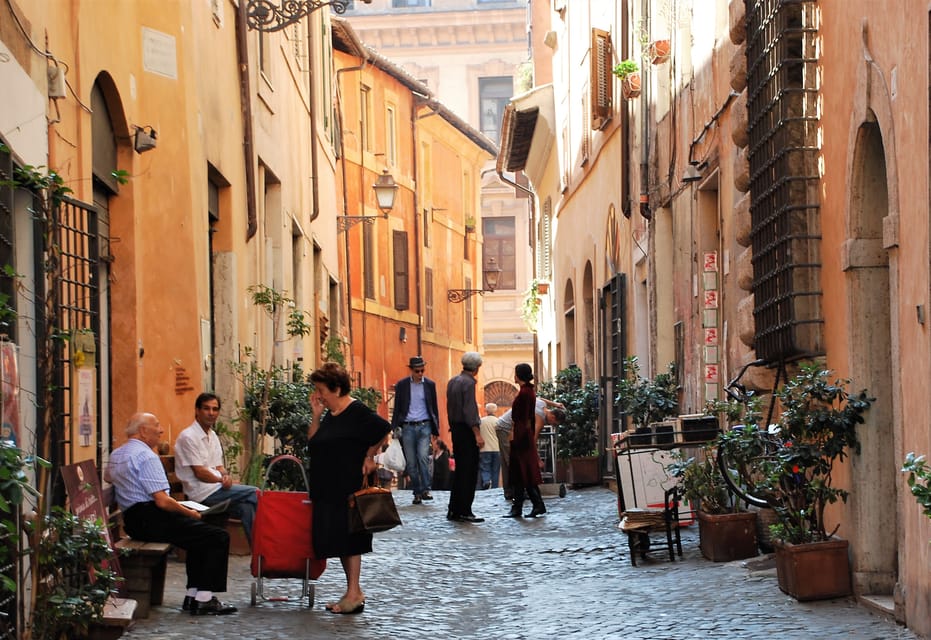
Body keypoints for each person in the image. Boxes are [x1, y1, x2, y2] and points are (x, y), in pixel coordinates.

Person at [105, 412, 237, 616]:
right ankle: (204, 598)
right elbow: (163, 501)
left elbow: (108, 476)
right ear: (143, 431)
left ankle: (194, 595)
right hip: (152, 518)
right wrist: (191, 513)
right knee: (218, 537)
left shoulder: (117, 454)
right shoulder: (147, 456)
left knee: (201, 537)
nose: (161, 430)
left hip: (132, 520)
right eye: (156, 425)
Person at [307, 362, 391, 615]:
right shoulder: (330, 415)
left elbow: (383, 430)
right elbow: (313, 443)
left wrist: (369, 456)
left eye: (321, 389)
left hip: (347, 485)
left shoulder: (356, 411)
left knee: (350, 538)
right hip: (328, 487)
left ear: (336, 388)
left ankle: (354, 593)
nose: (318, 394)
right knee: (339, 539)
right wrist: (315, 415)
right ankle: (351, 591)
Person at [173, 392, 258, 543]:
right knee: (255, 493)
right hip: (201, 493)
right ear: (197, 411)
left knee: (246, 507)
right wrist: (222, 479)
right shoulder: (188, 437)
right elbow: (200, 473)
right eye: (206, 409)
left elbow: (219, 466)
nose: (211, 413)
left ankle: (259, 557)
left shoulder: (212, 436)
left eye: (215, 409)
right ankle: (273, 543)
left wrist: (225, 476)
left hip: (216, 489)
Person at [391, 356, 440, 505]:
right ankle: (417, 491)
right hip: (407, 427)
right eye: (417, 371)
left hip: (425, 425)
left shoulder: (430, 385)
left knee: (423, 458)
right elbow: (397, 407)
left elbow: (434, 408)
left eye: (422, 370)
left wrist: (435, 430)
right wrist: (394, 427)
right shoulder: (402, 385)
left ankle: (425, 489)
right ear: (411, 370)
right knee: (411, 462)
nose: (420, 373)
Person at [496, 397, 566, 501]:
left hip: (504, 425)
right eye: (554, 423)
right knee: (512, 461)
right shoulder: (540, 419)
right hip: (506, 429)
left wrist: (555, 404)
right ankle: (516, 492)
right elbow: (532, 440)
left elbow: (540, 398)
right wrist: (537, 460)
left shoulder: (541, 404)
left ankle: (510, 492)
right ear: (552, 415)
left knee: (508, 461)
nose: (553, 425)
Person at [505, 363, 548, 518]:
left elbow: (521, 417)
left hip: (521, 433)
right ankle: (533, 505)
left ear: (519, 375)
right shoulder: (529, 391)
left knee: (522, 471)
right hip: (524, 433)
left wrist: (514, 434)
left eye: (515, 373)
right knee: (523, 471)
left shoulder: (524, 393)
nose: (514, 376)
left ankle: (525, 507)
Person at [446, 351, 484, 523]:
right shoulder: (468, 383)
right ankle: (465, 510)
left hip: (455, 429)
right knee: (469, 472)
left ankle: (454, 509)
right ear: (476, 368)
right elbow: (470, 411)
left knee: (460, 471)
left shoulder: (453, 381)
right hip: (466, 431)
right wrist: (477, 434)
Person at [477, 403, 500, 490]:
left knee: (485, 467)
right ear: (495, 410)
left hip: (484, 448)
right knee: (495, 470)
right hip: (496, 448)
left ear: (486, 410)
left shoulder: (481, 421)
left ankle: (486, 481)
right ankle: (495, 487)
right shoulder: (498, 421)